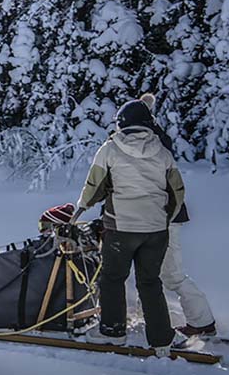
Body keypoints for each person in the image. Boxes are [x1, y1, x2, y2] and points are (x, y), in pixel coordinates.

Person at [70, 96, 187, 356]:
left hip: (120, 229)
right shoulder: (162, 150)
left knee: (112, 279)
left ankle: (113, 332)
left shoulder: (110, 148)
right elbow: (177, 190)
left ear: (122, 124)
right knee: (150, 282)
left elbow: (94, 187)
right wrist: (164, 219)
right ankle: (161, 339)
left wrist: (79, 210)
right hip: (156, 231)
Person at [133, 94, 217, 337]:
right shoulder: (157, 138)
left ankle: (202, 323)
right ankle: (146, 314)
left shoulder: (148, 143)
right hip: (153, 218)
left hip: (160, 219)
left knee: (172, 275)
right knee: (146, 271)